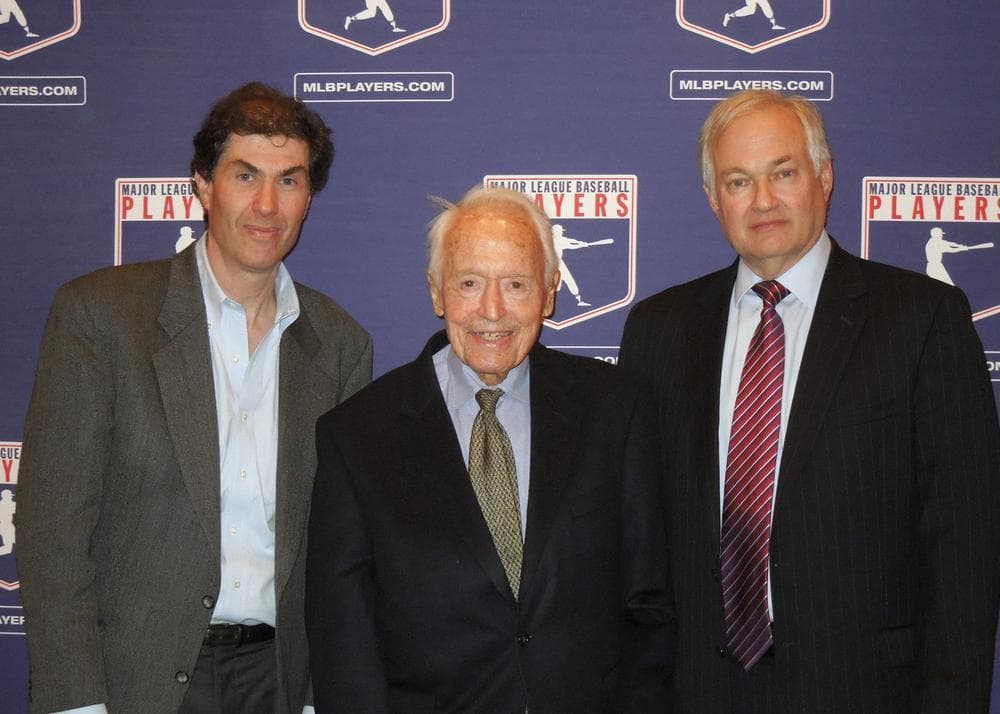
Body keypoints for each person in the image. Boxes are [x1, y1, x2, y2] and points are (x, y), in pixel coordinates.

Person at [619, 89, 1000, 712]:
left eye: (784, 173)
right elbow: (636, 543)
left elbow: (964, 548)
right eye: (738, 181)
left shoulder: (921, 319)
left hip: (864, 691)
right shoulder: (657, 329)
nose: (763, 200)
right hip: (696, 692)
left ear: (825, 177)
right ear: (714, 199)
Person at [17, 82, 373, 714]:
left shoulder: (341, 345)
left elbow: (341, 552)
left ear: (309, 197)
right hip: (134, 679)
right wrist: (76, 703)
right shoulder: (101, 317)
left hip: (279, 681)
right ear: (203, 186)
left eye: (289, 180)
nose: (267, 205)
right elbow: (53, 532)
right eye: (245, 176)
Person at [306, 186, 672, 712]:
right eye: (470, 283)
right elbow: (344, 647)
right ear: (437, 292)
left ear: (548, 294)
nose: (492, 310)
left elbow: (650, 607)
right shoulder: (357, 436)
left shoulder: (617, 411)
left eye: (517, 284)